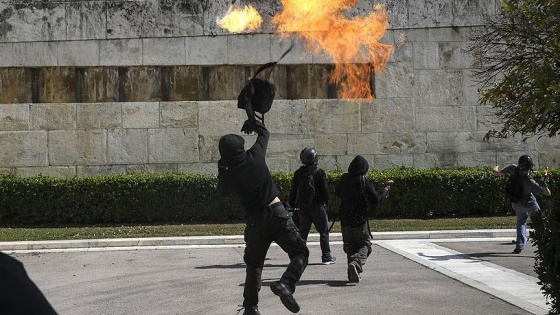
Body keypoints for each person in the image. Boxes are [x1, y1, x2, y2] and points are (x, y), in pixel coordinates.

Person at [217, 81, 309, 315]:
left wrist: (222, 167)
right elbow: (264, 132)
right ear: (241, 147)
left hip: (255, 222)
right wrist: (250, 111)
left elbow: (222, 193)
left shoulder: (231, 174)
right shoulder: (255, 156)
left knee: (254, 266)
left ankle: (250, 308)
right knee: (300, 253)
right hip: (277, 214)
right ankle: (286, 284)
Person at [335, 155, 384, 283]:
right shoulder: (362, 180)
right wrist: (383, 194)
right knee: (365, 245)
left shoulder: (344, 178)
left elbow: (337, 193)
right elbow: (376, 199)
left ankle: (351, 274)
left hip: (345, 220)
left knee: (350, 247)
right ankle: (356, 263)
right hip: (359, 221)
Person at [493, 154, 551, 254]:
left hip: (516, 203)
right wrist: (544, 180)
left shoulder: (512, 168)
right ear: (530, 167)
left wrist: (496, 167)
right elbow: (547, 193)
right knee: (540, 223)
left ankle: (519, 246)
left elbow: (496, 173)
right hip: (529, 204)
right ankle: (544, 245)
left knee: (521, 222)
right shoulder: (529, 181)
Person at [288, 147, 336, 265]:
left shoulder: (298, 173)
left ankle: (299, 257)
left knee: (303, 233)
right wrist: (326, 202)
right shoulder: (319, 172)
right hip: (317, 206)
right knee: (323, 232)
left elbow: (293, 191)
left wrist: (292, 206)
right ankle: (326, 256)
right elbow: (325, 191)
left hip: (303, 207)